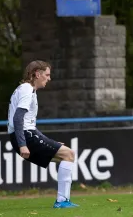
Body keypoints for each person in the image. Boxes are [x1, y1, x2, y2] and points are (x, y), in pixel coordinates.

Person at [7, 60, 79, 208]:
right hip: (24, 136)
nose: (49, 78)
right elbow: (18, 119)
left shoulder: (25, 90)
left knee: (66, 156)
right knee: (68, 154)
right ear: (37, 74)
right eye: (47, 75)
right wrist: (22, 144)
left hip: (24, 135)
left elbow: (29, 124)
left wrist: (50, 143)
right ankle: (62, 201)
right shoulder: (27, 89)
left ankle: (63, 200)